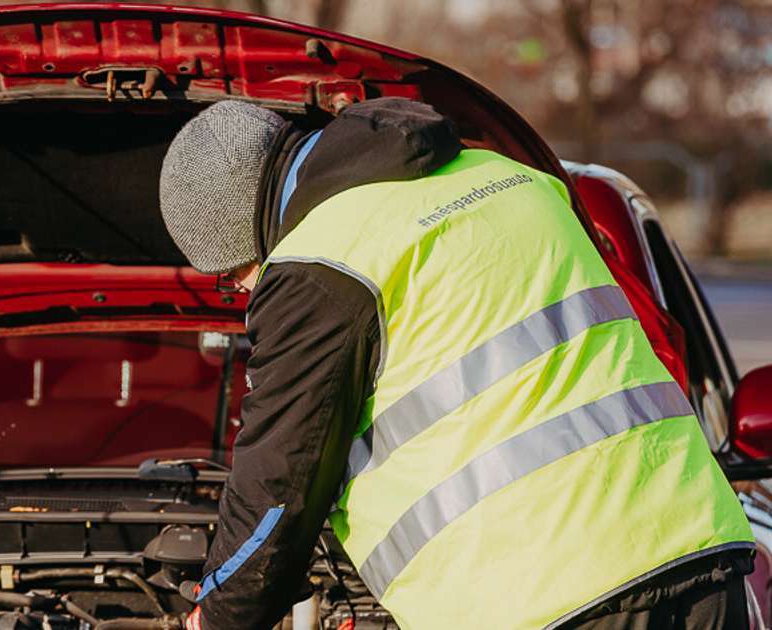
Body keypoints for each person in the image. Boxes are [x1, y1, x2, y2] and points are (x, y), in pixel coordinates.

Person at [158, 98, 755, 630]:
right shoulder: (512, 178)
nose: (242, 292)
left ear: (243, 233)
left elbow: (278, 479)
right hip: (699, 552)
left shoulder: (319, 262)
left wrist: (220, 613)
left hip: (546, 595)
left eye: (232, 277)